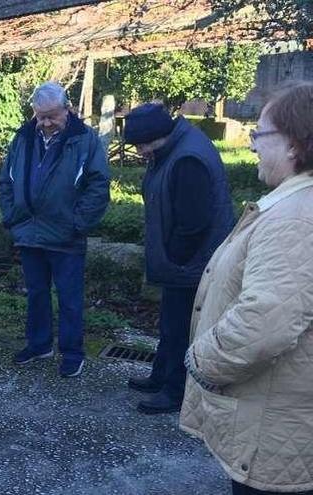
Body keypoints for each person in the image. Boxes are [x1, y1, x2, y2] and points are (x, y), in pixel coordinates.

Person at [181, 81, 313, 495]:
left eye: (260, 133)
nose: (253, 144)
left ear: (293, 144)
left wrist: (201, 361)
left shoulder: (293, 217)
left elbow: (265, 322)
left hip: (274, 431)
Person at [122, 103, 235, 414]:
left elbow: (194, 222)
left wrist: (173, 257)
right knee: (170, 324)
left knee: (183, 328)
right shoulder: (172, 148)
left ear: (157, 136)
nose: (141, 151)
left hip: (191, 264)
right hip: (184, 263)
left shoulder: (187, 159)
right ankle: (160, 377)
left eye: (143, 145)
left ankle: (175, 392)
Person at [0, 81, 110, 378]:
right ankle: (39, 344)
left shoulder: (85, 140)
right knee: (36, 292)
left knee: (70, 298)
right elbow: (5, 180)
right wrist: (11, 215)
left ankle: (72, 352)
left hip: (66, 234)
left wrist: (79, 224)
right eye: (40, 116)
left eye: (52, 116)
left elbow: (98, 186)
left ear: (67, 109)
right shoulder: (22, 138)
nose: (45, 123)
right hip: (29, 231)